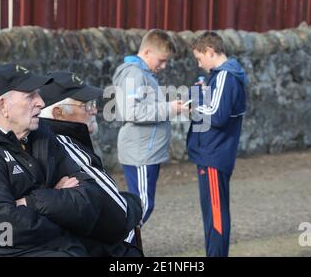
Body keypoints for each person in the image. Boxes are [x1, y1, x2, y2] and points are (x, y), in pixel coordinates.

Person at [0, 64, 141, 257]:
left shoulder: (43, 139)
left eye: (38, 94)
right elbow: (4, 228)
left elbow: (90, 196)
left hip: (57, 242)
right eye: (30, 95)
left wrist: (33, 202)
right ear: (3, 106)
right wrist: (60, 207)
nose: (41, 102)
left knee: (125, 252)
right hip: (11, 249)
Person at [39, 71, 142, 256]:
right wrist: (135, 204)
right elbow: (119, 211)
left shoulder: (50, 139)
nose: (94, 110)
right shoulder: (64, 144)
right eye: (86, 105)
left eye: (93, 104)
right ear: (58, 112)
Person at [112, 29, 186, 242]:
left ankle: (125, 247)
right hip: (141, 153)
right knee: (141, 207)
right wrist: (170, 108)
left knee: (140, 206)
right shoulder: (134, 74)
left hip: (146, 151)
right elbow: (131, 111)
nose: (164, 66)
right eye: (162, 60)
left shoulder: (143, 74)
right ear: (146, 52)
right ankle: (118, 247)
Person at [186, 32, 248, 257]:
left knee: (216, 217)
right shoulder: (220, 76)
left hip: (214, 155)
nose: (198, 63)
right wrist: (199, 92)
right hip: (212, 154)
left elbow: (217, 114)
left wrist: (191, 107)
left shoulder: (224, 76)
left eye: (199, 57)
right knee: (213, 215)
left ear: (210, 51)